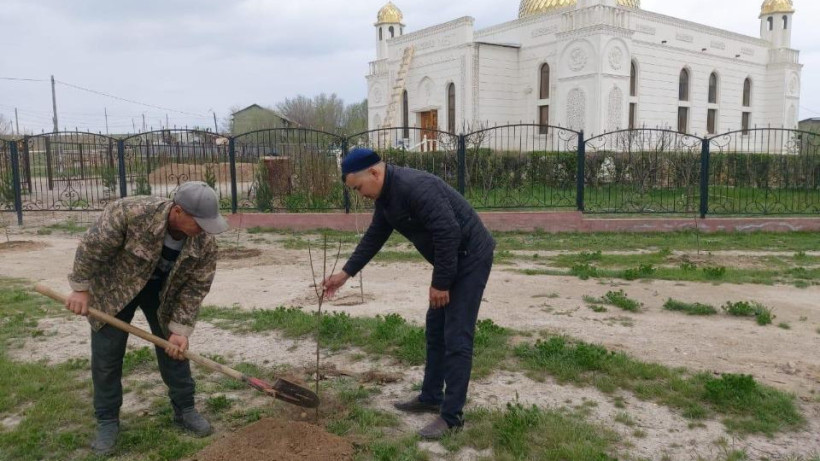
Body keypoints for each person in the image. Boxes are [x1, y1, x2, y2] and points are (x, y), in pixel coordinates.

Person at [323, 148, 495, 440]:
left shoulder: (414, 187)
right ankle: (431, 396)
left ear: (375, 173)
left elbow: (448, 232)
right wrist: (345, 274)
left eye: (358, 187)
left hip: (470, 258)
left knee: (456, 336)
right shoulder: (387, 197)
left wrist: (441, 283)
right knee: (436, 328)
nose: (359, 194)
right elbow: (374, 237)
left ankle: (452, 417)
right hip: (451, 259)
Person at [65, 181, 229, 455]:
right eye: (199, 222)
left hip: (164, 292)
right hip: (117, 287)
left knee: (174, 350)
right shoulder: (131, 212)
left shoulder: (204, 244)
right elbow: (92, 247)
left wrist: (180, 329)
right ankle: (107, 421)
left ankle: (185, 409)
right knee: (107, 356)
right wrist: (80, 288)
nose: (204, 229)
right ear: (178, 211)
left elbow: (196, 287)